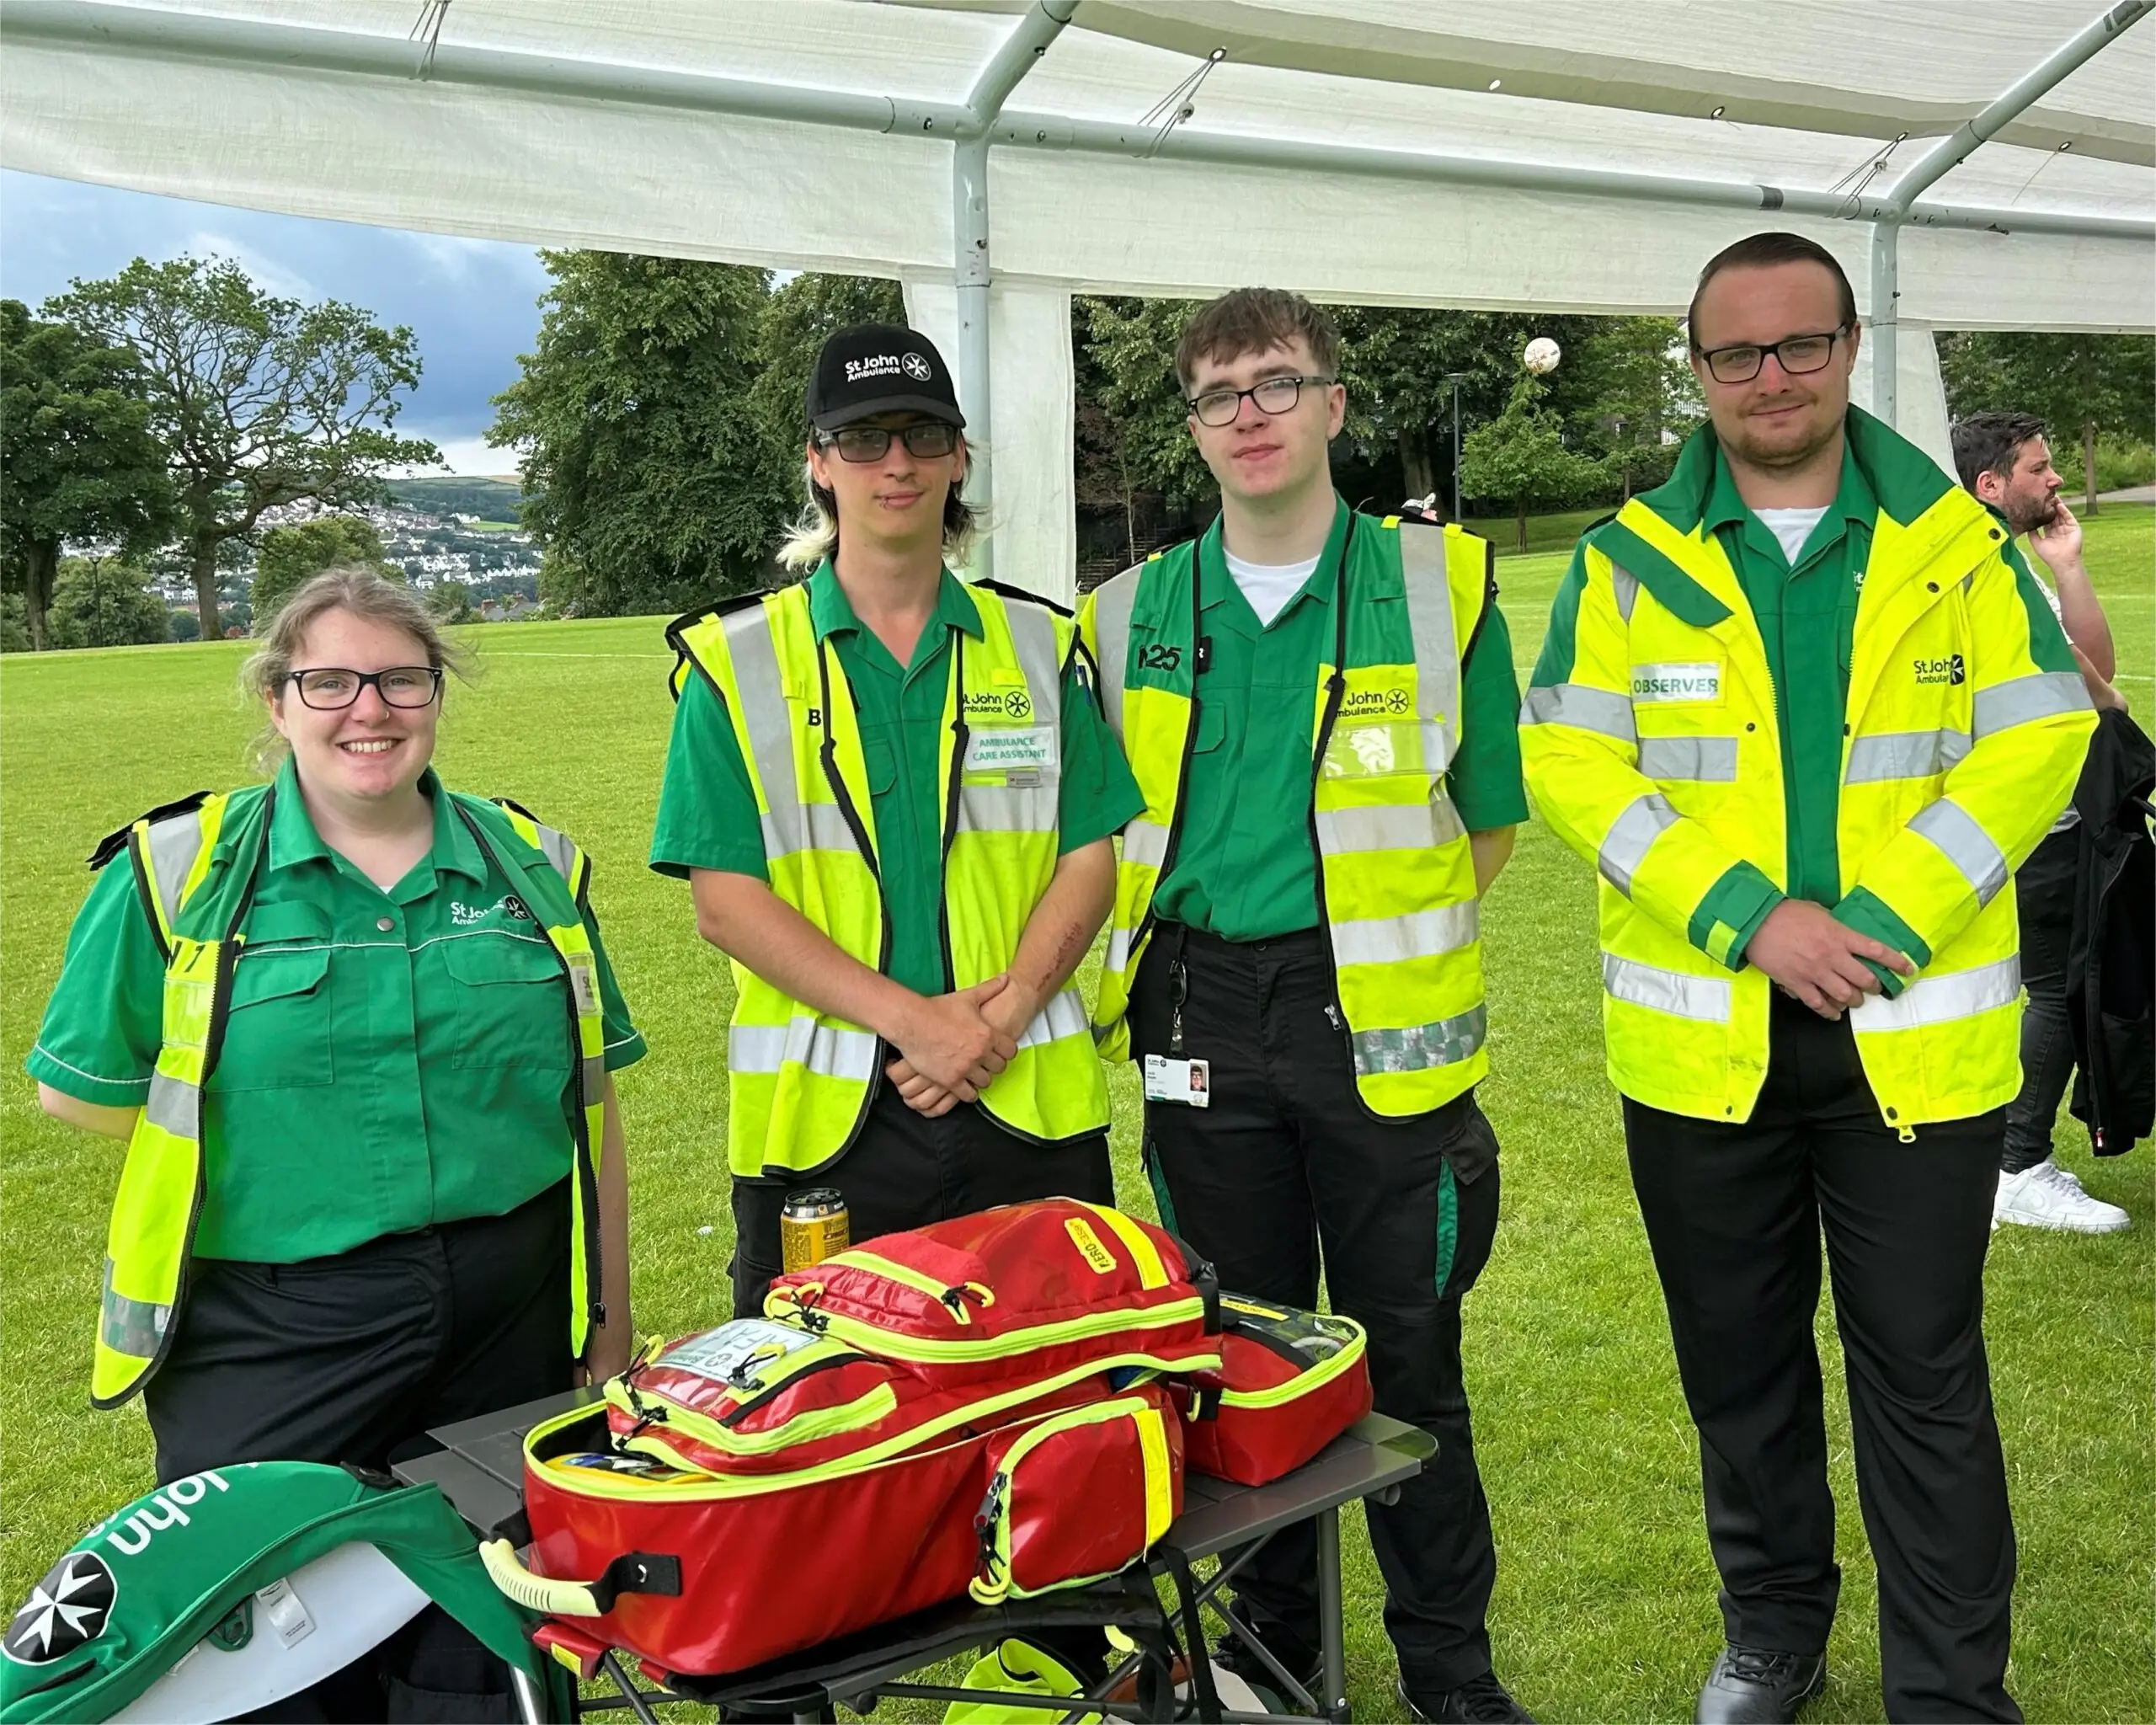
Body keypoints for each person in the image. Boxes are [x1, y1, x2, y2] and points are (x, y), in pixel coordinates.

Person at [1521, 232, 2096, 1724]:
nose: (1770, 377)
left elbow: (2042, 730)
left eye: (1800, 345)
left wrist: (1885, 912)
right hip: (1702, 1042)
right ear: (1696, 366)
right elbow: (1573, 758)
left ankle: (1952, 1694)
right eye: (1736, 352)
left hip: (1914, 1040)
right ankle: (1773, 1634)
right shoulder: (1626, 555)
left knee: (1924, 1383)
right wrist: (1750, 917)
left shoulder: (1959, 545)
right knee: (1742, 1374)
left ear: (1847, 346)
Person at [30, 564, 643, 1709]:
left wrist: (610, 1326)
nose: (370, 709)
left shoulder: (536, 869)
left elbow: (591, 1107)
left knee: (492, 1645)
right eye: (330, 681)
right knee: (267, 1649)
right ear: (277, 702)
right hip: (269, 1330)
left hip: (501, 1319)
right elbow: (87, 1093)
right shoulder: (173, 874)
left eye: (401, 679)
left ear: (437, 693)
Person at [1080, 289, 1532, 1725]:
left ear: (1336, 402)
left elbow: (1493, 816)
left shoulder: (1435, 582)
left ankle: (1450, 1670)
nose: (1252, 412)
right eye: (1221, 394)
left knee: (1411, 1367)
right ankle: (1273, 1667)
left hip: (1372, 1019)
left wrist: (1379, 937)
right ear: (1195, 427)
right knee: (1240, 1366)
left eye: (1280, 382)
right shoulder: (1128, 609)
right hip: (1198, 1011)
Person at [653, 323, 1144, 1316]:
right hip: (828, 1125)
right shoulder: (737, 661)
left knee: (1055, 1409)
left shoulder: (1041, 644)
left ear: (960, 455)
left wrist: (995, 1023)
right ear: (818, 462)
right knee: (826, 1431)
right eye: (865, 438)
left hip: (1026, 1105)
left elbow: (1089, 855)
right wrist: (917, 1023)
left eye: (923, 436)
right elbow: (727, 903)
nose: (898, 463)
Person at [1951, 409, 2131, 1235]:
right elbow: (2086, 679)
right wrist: (2109, 704)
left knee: (2041, 984)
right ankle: (2015, 1164)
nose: (2054, 479)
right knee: (2055, 985)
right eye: (2038, 467)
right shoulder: (1972, 565)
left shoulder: (2012, 560)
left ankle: (1991, 1152)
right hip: (2026, 814)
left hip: (2044, 809)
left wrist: (2066, 565)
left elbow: (2092, 648)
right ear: (1990, 484)